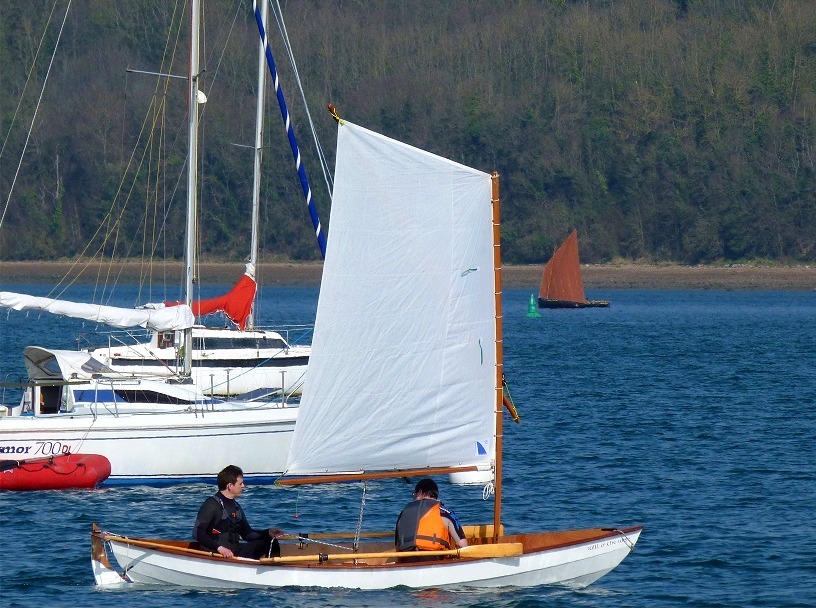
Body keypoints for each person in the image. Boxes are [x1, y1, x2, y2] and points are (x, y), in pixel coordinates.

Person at [193, 465, 284, 559]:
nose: (243, 486)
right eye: (240, 483)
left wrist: (268, 532)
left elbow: (247, 534)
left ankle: (273, 569)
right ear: (230, 486)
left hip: (234, 552)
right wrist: (219, 548)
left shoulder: (236, 506)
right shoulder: (211, 504)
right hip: (217, 554)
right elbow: (198, 533)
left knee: (270, 541)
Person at [395, 478, 467, 553]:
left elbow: (397, 547)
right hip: (436, 559)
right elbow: (463, 545)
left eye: (414, 494)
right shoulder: (446, 513)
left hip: (407, 560)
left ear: (419, 493)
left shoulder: (403, 513)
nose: (413, 497)